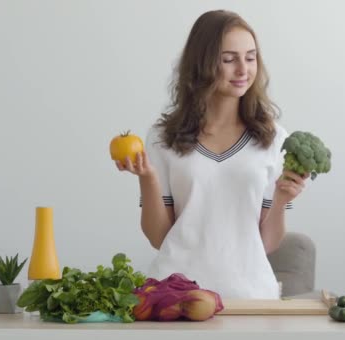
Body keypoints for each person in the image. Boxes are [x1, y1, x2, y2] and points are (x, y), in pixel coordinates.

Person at [116, 10, 308, 299]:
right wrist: (148, 178)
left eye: (251, 57)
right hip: (177, 298)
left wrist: (281, 200)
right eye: (229, 59)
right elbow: (159, 238)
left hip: (251, 298)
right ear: (202, 63)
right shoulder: (162, 137)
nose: (243, 70)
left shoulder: (274, 139)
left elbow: (266, 244)